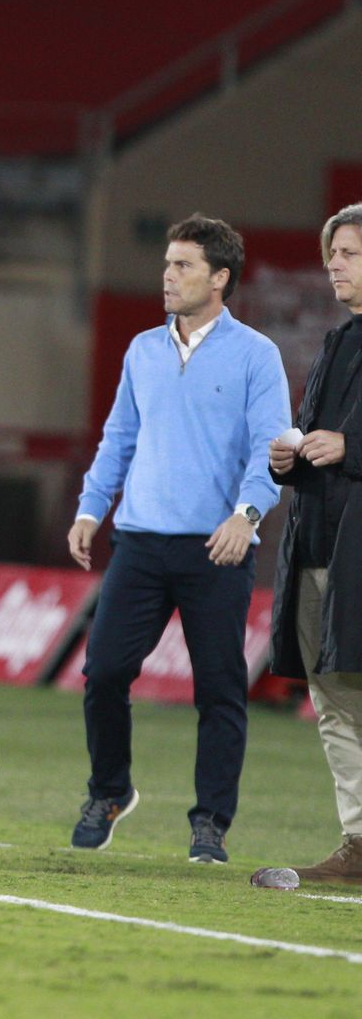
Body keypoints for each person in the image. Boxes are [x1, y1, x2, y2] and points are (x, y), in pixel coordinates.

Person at [68, 213, 288, 863]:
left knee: (220, 689)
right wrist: (90, 509)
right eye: (167, 263)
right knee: (103, 672)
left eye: (184, 265)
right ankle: (109, 790)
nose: (168, 275)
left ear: (220, 278)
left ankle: (210, 821)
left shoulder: (256, 355)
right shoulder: (142, 349)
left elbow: (269, 450)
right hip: (139, 541)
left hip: (217, 549)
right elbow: (118, 440)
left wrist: (246, 514)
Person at [254, 203, 362, 888]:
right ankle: (358, 843)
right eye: (333, 253)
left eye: (349, 252)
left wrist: (353, 446)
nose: (334, 264)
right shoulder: (339, 340)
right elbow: (310, 432)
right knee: (333, 696)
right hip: (321, 545)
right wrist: (286, 456)